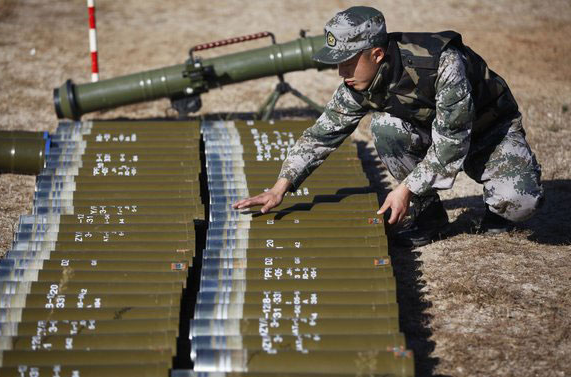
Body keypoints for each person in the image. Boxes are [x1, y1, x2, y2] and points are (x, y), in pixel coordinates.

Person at [233, 6, 544, 247]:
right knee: (385, 126)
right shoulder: (359, 83)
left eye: (348, 62)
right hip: (433, 133)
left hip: (489, 133)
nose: (341, 72)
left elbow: (451, 143)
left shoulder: (441, 64)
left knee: (519, 202)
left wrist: (404, 189)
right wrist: (280, 187)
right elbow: (321, 135)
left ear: (377, 54)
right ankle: (428, 215)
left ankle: (497, 216)